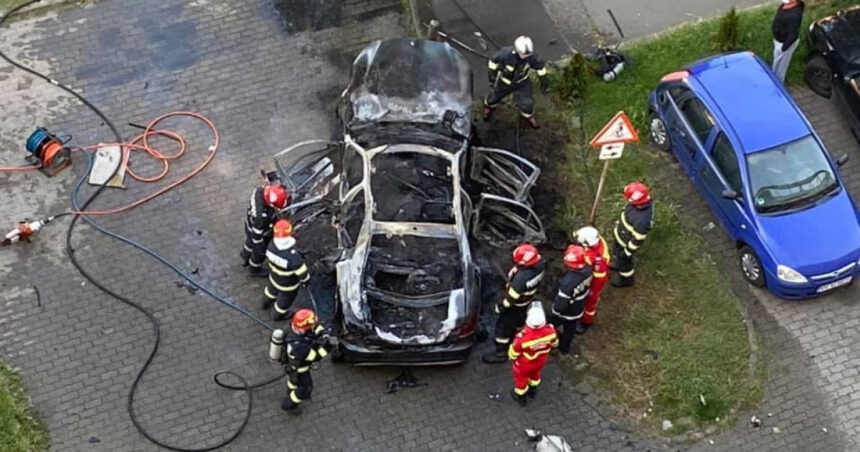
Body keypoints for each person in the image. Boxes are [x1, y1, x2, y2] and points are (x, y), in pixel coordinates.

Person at [483, 243, 546, 364]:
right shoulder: (540, 264)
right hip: (526, 302)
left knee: (502, 329)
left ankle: (500, 353)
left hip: (515, 306)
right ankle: (514, 339)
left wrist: (500, 308)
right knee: (518, 324)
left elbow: (511, 300)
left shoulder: (520, 281)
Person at [483, 35, 549, 129]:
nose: (525, 57)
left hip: (522, 82)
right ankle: (488, 108)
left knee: (527, 103)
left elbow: (541, 69)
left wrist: (544, 81)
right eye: (523, 54)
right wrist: (492, 79)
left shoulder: (532, 57)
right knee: (493, 97)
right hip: (504, 81)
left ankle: (528, 115)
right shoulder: (505, 54)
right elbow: (492, 63)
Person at [278, 309, 332, 414]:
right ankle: (289, 404)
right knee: (305, 388)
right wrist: (327, 348)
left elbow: (314, 328)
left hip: (292, 366)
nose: (313, 327)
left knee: (293, 381)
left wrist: (323, 333)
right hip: (300, 369)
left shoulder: (293, 328)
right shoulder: (299, 346)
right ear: (305, 328)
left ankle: (290, 390)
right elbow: (315, 356)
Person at [508, 301, 558, 406]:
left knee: (521, 380)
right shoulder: (551, 332)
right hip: (540, 362)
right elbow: (555, 344)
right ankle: (532, 391)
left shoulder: (522, 338)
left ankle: (521, 398)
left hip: (524, 365)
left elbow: (513, 354)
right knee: (535, 375)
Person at [549, 245, 592, 355]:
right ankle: (565, 348)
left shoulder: (567, 284)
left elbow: (560, 304)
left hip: (567, 309)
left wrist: (555, 311)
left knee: (551, 324)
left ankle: (549, 340)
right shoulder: (588, 269)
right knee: (570, 330)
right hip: (579, 306)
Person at [264, 219, 310, 320]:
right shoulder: (293, 256)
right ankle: (277, 315)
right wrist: (306, 281)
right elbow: (302, 273)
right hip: (288, 286)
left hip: (274, 278)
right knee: (284, 301)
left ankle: (265, 303)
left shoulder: (271, 245)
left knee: (271, 291)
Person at [611, 182, 654, 288]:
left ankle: (626, 279)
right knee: (616, 252)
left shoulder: (642, 222)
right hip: (620, 236)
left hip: (626, 244)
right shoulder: (635, 205)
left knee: (625, 263)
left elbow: (637, 240)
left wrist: (627, 252)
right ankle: (617, 263)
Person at [241, 183, 289, 277]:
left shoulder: (259, 191)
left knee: (249, 241)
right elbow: (257, 237)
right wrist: (261, 248)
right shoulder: (261, 217)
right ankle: (254, 269)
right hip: (257, 232)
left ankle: (245, 256)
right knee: (258, 251)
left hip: (249, 224)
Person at [575, 226, 610, 333]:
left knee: (590, 303)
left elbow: (598, 278)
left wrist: (592, 291)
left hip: (596, 281)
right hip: (595, 271)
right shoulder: (597, 239)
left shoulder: (599, 259)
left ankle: (586, 322)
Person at [771, 0, 805, 83]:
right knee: (776, 61)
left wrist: (784, 48)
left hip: (785, 44)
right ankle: (772, 77)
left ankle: (779, 83)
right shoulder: (783, 6)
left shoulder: (794, 15)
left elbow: (793, 35)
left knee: (782, 66)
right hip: (778, 41)